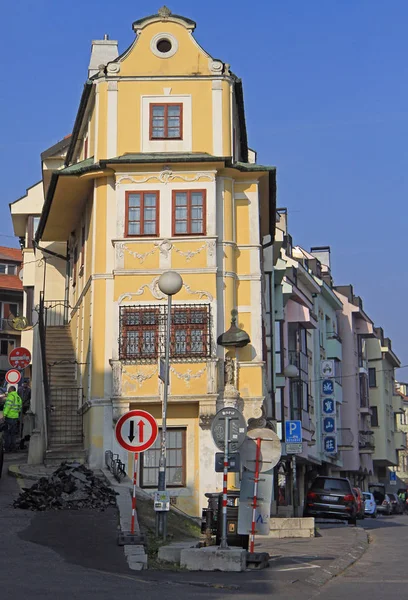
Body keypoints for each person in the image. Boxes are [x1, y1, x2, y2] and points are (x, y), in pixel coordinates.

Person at [3, 386, 22, 452]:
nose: (8, 390)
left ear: (11, 389)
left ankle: (7, 448)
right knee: (13, 433)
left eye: (9, 389)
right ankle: (13, 447)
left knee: (7, 433)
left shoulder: (11, 397)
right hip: (15, 417)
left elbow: (8, 406)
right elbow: (20, 408)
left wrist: (4, 415)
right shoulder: (18, 397)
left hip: (9, 417)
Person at [18, 380, 31, 450]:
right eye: (24, 384)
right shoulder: (20, 389)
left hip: (25, 406)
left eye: (26, 384)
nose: (25, 385)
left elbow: (29, 398)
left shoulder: (29, 390)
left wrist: (26, 403)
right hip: (21, 406)